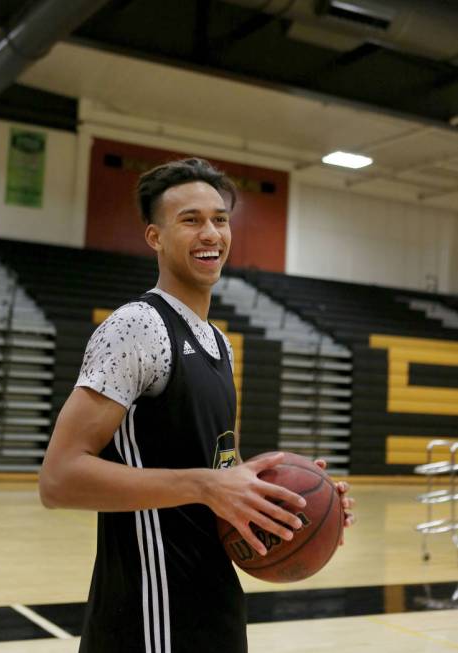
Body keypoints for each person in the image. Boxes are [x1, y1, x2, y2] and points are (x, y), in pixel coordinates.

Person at [39, 158, 354, 653]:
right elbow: (58, 479)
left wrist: (292, 505)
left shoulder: (218, 344)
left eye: (220, 219)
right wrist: (207, 485)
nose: (211, 233)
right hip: (151, 617)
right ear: (155, 237)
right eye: (190, 220)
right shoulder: (137, 327)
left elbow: (207, 475)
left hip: (214, 606)